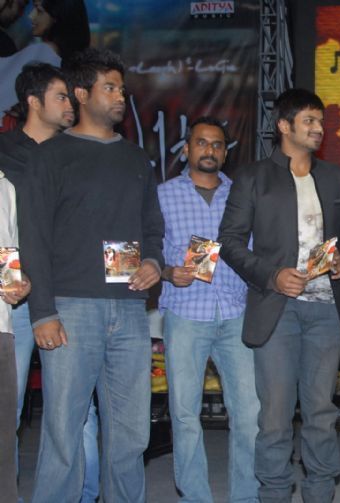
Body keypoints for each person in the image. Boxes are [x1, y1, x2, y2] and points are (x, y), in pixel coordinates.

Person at [21, 48, 163, 503]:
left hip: (130, 308)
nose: (120, 96)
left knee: (131, 430)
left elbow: (153, 227)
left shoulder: (136, 158)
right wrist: (43, 312)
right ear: (81, 94)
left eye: (122, 88)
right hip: (71, 309)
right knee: (64, 428)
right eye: (110, 87)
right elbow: (33, 237)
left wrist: (153, 262)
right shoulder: (51, 156)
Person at [218, 88, 340, 502]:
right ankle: (274, 494)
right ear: (284, 126)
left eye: (320, 122)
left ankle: (320, 493)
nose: (319, 129)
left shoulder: (336, 177)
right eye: (309, 121)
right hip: (276, 312)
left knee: (321, 413)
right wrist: (272, 276)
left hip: (325, 312)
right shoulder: (253, 177)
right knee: (275, 418)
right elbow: (229, 242)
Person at [0, 61, 100, 503]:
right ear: (33, 101)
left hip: (71, 296)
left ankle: (83, 495)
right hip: (16, 302)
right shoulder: (3, 153)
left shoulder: (80, 152)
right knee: (8, 407)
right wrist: (9, 278)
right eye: (61, 96)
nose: (70, 104)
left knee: (78, 411)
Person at [158, 116, 260, 502]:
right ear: (186, 149)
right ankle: (195, 497)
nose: (210, 150)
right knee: (185, 415)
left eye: (217, 145)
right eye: (201, 143)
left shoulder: (241, 195)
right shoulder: (163, 194)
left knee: (249, 414)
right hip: (185, 313)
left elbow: (257, 250)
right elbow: (148, 248)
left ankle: (246, 497)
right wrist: (168, 272)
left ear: (225, 153)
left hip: (235, 311)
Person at [0, 163, 31, 503]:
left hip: (2, 325)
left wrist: (19, 285)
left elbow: (8, 253)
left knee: (5, 433)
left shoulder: (5, 187)